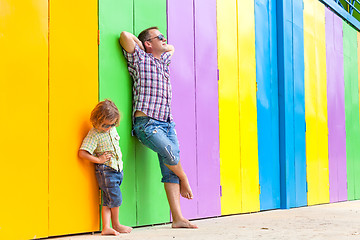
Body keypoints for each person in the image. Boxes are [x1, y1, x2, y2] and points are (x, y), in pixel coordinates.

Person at [120, 27, 197, 229]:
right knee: (171, 155)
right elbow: (125, 36)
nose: (165, 40)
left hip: (167, 124)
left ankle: (178, 219)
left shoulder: (163, 61)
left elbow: (172, 48)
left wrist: (160, 44)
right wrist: (142, 45)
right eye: (159, 37)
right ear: (148, 43)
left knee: (169, 167)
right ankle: (184, 177)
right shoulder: (139, 59)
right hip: (147, 124)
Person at [79, 99, 133, 235]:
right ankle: (115, 225)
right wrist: (98, 159)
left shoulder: (111, 129)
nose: (108, 128)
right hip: (106, 171)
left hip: (116, 170)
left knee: (109, 199)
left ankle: (107, 227)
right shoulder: (94, 134)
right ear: (96, 120)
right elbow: (82, 153)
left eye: (112, 124)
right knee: (115, 198)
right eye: (105, 125)